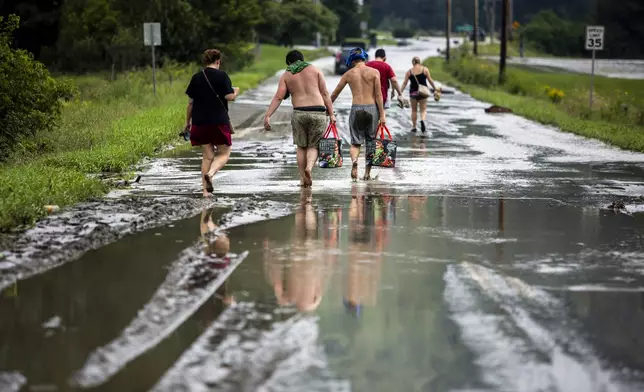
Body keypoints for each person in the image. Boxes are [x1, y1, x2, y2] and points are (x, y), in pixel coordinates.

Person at [264, 50, 336, 188]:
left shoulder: (287, 75)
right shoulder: (315, 70)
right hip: (318, 112)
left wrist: (268, 115)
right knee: (314, 145)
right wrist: (331, 114)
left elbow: (279, 97)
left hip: (300, 112)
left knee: (301, 146)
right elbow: (325, 93)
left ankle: (303, 178)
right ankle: (309, 168)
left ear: (289, 62)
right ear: (302, 60)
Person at [185, 49, 240, 197]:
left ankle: (205, 192)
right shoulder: (222, 76)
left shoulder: (196, 77)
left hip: (199, 122)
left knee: (207, 156)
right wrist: (236, 92)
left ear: (205, 61)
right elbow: (229, 97)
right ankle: (210, 173)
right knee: (224, 153)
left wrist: (187, 123)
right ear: (218, 61)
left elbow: (190, 103)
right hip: (218, 122)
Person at [330, 47, 385, 181]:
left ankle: (355, 162)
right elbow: (378, 95)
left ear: (352, 60)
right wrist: (382, 115)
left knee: (355, 143)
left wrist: (328, 108)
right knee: (371, 142)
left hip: (356, 108)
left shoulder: (349, 74)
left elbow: (335, 93)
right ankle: (367, 173)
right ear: (364, 58)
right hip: (372, 108)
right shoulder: (374, 72)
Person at [400, 56, 439, 133]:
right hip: (423, 92)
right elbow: (430, 80)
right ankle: (422, 120)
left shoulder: (409, 72)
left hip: (413, 93)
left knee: (414, 111)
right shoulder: (425, 69)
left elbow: (404, 83)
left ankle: (414, 127)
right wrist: (435, 89)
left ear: (413, 63)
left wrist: (400, 92)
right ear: (419, 62)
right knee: (423, 110)